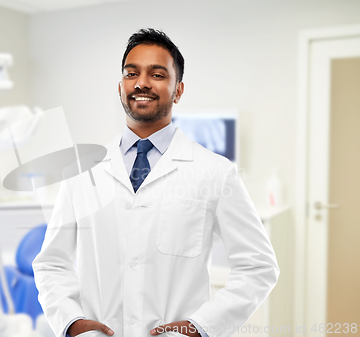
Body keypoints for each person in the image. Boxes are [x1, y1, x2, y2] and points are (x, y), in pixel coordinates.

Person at [32, 28, 279, 337]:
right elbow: (51, 263)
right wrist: (71, 322)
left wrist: (202, 327)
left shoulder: (215, 172)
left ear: (178, 90)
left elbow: (258, 268)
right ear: (120, 88)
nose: (142, 82)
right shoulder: (82, 171)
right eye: (131, 73)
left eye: (158, 74)